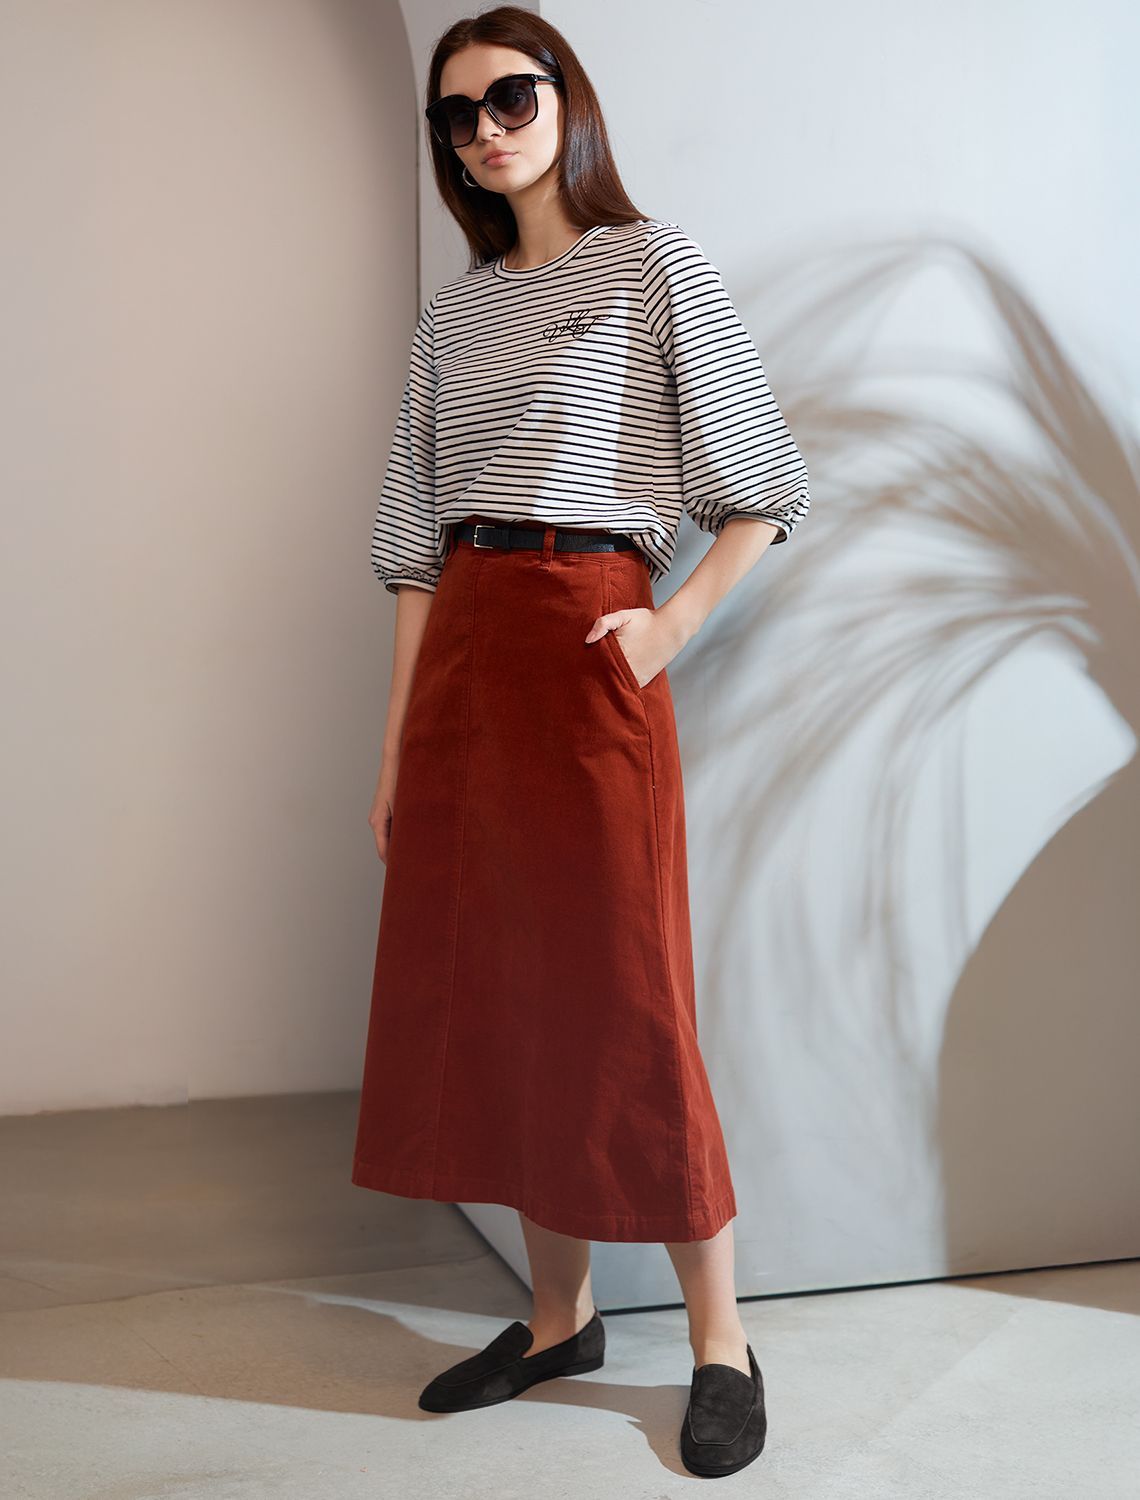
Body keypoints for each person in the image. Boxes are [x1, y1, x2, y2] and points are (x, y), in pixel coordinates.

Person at [351, 5, 809, 1479]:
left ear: (568, 100)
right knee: (503, 990)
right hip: (467, 650)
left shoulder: (654, 263)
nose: (486, 130)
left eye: (510, 97)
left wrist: (669, 628)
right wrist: (396, 750)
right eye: (457, 115)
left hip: (592, 633)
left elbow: (765, 484)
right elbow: (414, 546)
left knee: (628, 996)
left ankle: (722, 1341)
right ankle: (559, 1320)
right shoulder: (455, 312)